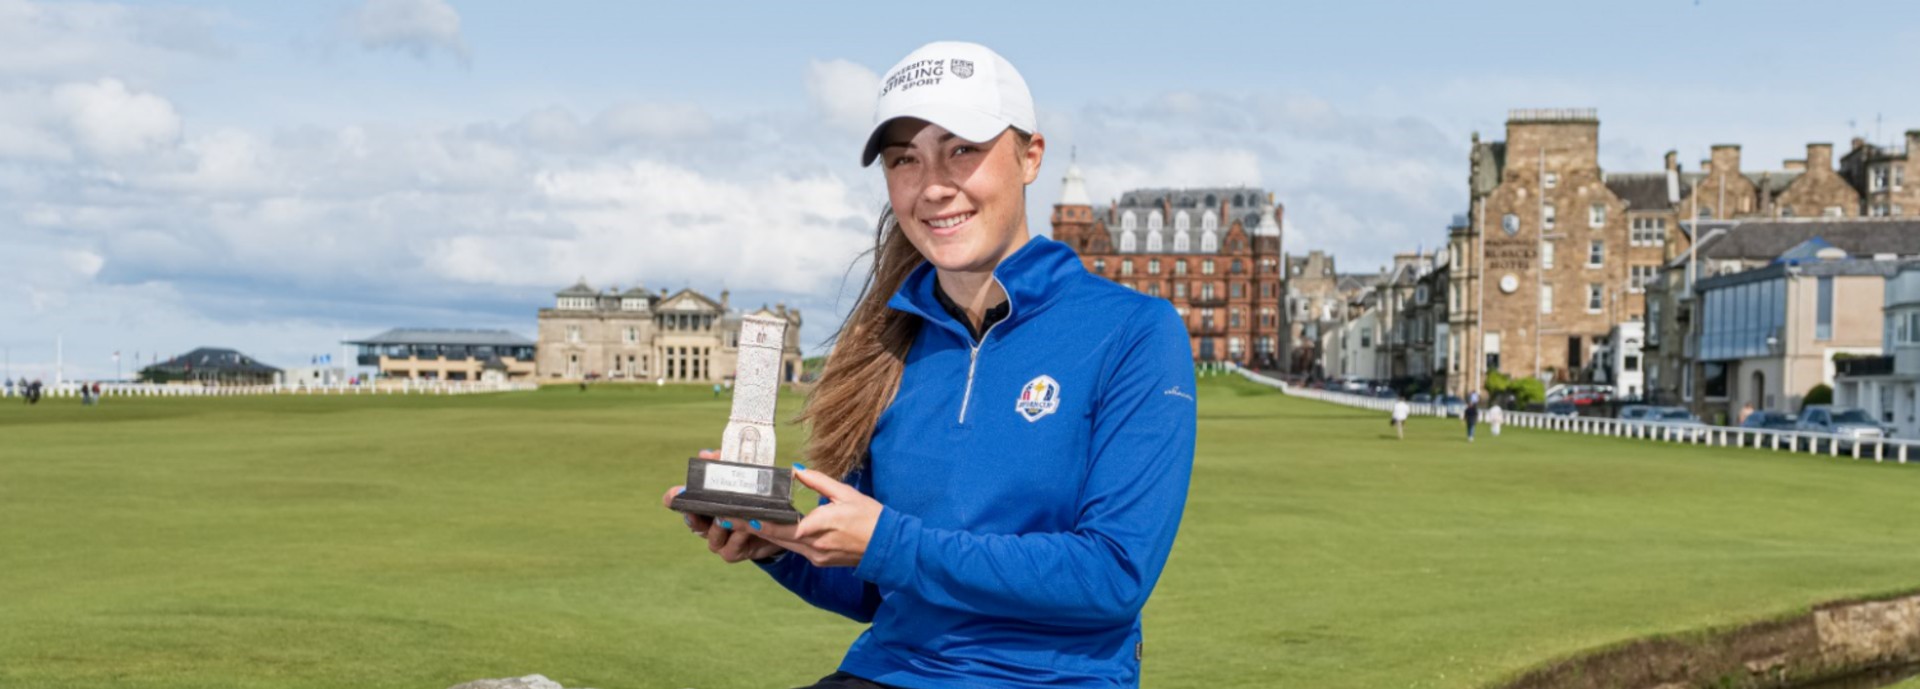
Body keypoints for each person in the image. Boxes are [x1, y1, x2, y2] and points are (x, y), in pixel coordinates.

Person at [662, 41, 1196, 689]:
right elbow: (877, 588)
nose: (933, 185)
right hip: (890, 670)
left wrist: (887, 540)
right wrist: (782, 545)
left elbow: (1112, 575)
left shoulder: (1135, 330)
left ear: (1031, 157)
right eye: (904, 159)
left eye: (961, 149)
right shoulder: (886, 342)